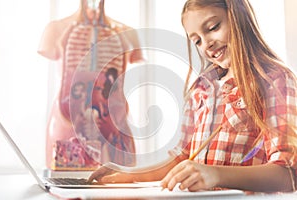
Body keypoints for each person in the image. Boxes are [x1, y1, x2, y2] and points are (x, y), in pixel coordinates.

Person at [87, 0, 297, 193]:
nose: (206, 44)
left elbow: (288, 174)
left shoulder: (274, 80)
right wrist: (129, 173)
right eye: (197, 41)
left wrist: (214, 174)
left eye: (213, 28)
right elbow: (183, 156)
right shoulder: (202, 88)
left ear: (238, 17)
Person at [38, 0, 144, 170]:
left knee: (119, 186)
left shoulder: (127, 32)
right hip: (65, 121)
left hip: (114, 122)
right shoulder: (56, 29)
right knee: (64, 179)